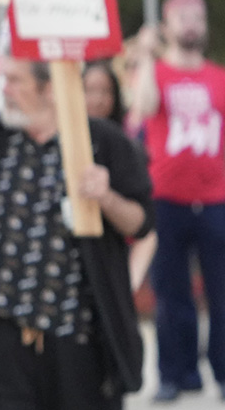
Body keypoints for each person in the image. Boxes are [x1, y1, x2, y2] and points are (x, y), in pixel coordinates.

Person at [0, 59, 153, 410]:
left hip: (77, 340)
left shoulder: (101, 140)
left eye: (15, 80)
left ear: (50, 88)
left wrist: (106, 197)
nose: (5, 90)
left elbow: (141, 222)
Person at [129, 0, 225, 403]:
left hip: (215, 200)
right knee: (170, 293)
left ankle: (223, 370)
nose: (191, 24)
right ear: (166, 26)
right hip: (165, 199)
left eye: (198, 17)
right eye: (182, 17)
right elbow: (143, 106)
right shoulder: (156, 74)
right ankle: (174, 372)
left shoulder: (224, 80)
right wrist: (148, 57)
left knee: (219, 291)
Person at [84, 60, 157, 292]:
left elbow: (145, 225)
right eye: (89, 90)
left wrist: (131, 281)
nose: (97, 99)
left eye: (105, 91)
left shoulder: (127, 149)